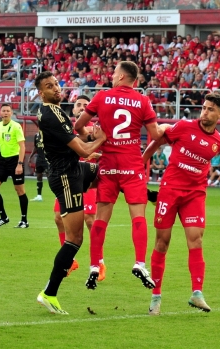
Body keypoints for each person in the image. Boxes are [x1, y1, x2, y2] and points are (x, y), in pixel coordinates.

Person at [75, 61, 164, 290]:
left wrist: (94, 138)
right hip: (132, 164)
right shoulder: (143, 101)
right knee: (138, 216)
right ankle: (139, 263)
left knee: (101, 217)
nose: (112, 76)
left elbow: (78, 126)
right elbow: (154, 134)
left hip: (108, 164)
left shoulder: (102, 97)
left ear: (122, 77)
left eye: (114, 73)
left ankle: (94, 265)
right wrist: (165, 130)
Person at [141, 93, 220, 316]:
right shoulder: (184, 126)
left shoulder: (219, 142)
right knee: (162, 242)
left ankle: (197, 293)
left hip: (195, 194)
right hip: (170, 191)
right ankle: (156, 297)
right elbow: (157, 141)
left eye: (210, 109)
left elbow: (203, 163)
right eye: (204, 107)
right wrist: (140, 166)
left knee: (196, 239)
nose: (205, 112)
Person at [34, 71, 106, 314]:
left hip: (72, 170)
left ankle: (147, 196)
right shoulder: (51, 113)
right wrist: (102, 138)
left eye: (56, 83)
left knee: (109, 173)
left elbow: (82, 148)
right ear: (40, 92)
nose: (55, 88)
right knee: (74, 239)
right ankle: (49, 292)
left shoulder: (53, 112)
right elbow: (84, 150)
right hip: (66, 177)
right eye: (49, 86)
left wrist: (91, 144)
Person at [52, 95, 102, 278]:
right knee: (58, 218)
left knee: (89, 220)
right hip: (67, 177)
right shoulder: (66, 129)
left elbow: (106, 152)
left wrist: (96, 155)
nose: (81, 107)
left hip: (86, 178)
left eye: (86, 105)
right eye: (78, 105)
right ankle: (70, 261)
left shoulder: (95, 131)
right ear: (73, 110)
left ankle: (98, 263)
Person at [0, 104, 29, 228]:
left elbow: (22, 146)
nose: (5, 113)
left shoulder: (16, 126)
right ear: (0, 113)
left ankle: (24, 220)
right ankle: (3, 217)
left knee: (20, 190)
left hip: (15, 160)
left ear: (11, 113)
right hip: (2, 161)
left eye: (8, 111)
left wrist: (20, 164)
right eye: (3, 111)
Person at [29, 126, 47, 202]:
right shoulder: (36, 135)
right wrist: (30, 156)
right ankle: (39, 196)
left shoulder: (48, 135)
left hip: (47, 158)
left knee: (50, 176)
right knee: (39, 176)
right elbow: (35, 147)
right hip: (39, 159)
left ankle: (57, 196)